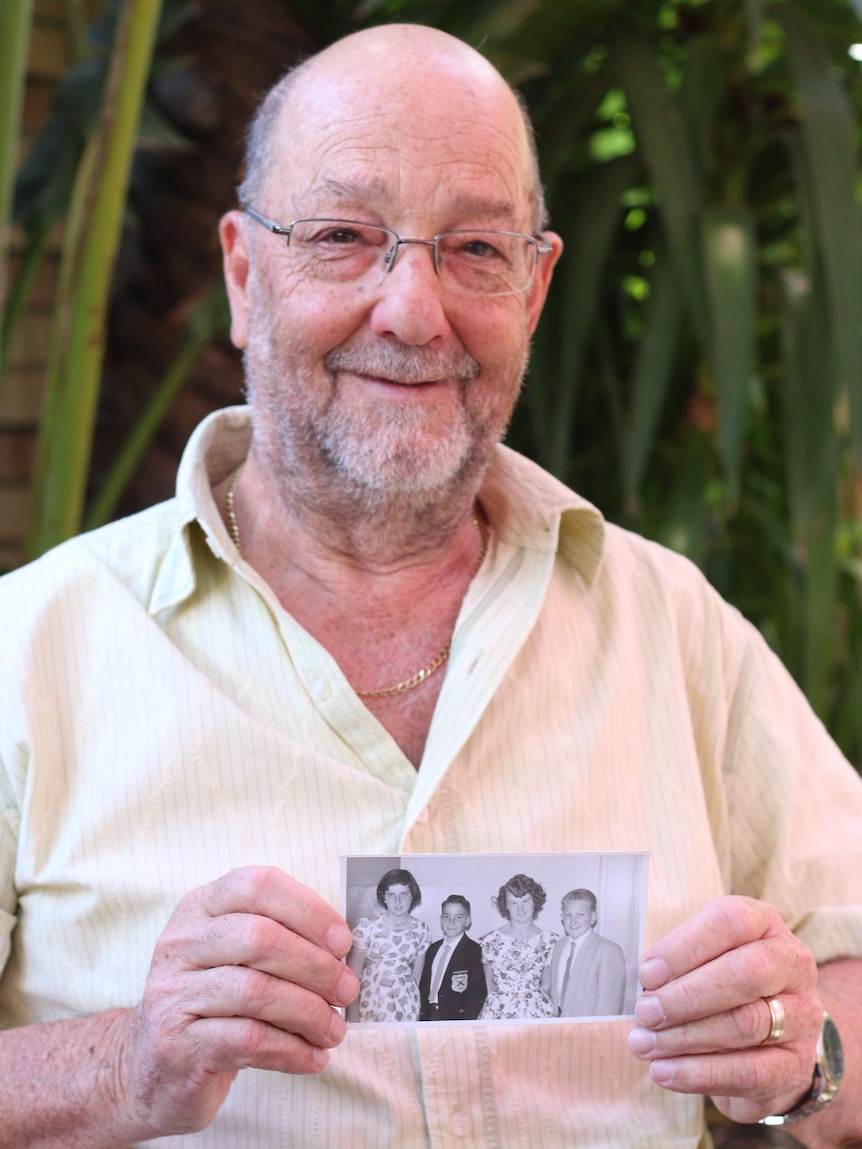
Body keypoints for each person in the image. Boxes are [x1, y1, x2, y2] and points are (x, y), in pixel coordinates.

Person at [1, 19, 862, 1149]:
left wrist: (811, 1055)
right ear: (243, 271)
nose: (414, 311)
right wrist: (132, 1060)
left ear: (536, 288)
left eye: (474, 249)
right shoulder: (33, 649)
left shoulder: (671, 626)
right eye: (344, 237)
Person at [345, 868, 429, 1023]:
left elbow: (416, 977)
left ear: (412, 896)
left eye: (403, 894)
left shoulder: (421, 929)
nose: (397, 901)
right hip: (372, 999)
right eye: (391, 894)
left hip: (407, 1003)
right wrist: (353, 1016)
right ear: (384, 897)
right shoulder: (368, 927)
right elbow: (352, 976)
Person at [478, 874, 556, 1020]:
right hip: (499, 1013)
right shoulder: (490, 940)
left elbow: (547, 984)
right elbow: (489, 984)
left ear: (535, 902)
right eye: (513, 903)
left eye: (525, 901)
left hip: (537, 1012)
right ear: (506, 905)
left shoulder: (549, 940)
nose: (520, 908)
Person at [545, 889, 626, 1017]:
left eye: (581, 915)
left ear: (593, 917)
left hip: (588, 1031)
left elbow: (609, 1007)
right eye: (568, 915)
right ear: (562, 917)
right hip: (558, 1027)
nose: (573, 921)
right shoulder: (559, 946)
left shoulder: (608, 951)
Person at [418, 894, 486, 1022]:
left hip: (456, 1018)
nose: (451, 922)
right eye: (447, 916)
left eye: (458, 917)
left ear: (467, 921)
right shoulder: (431, 949)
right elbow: (424, 986)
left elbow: (477, 994)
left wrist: (466, 1022)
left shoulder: (475, 951)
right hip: (429, 1015)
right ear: (441, 919)